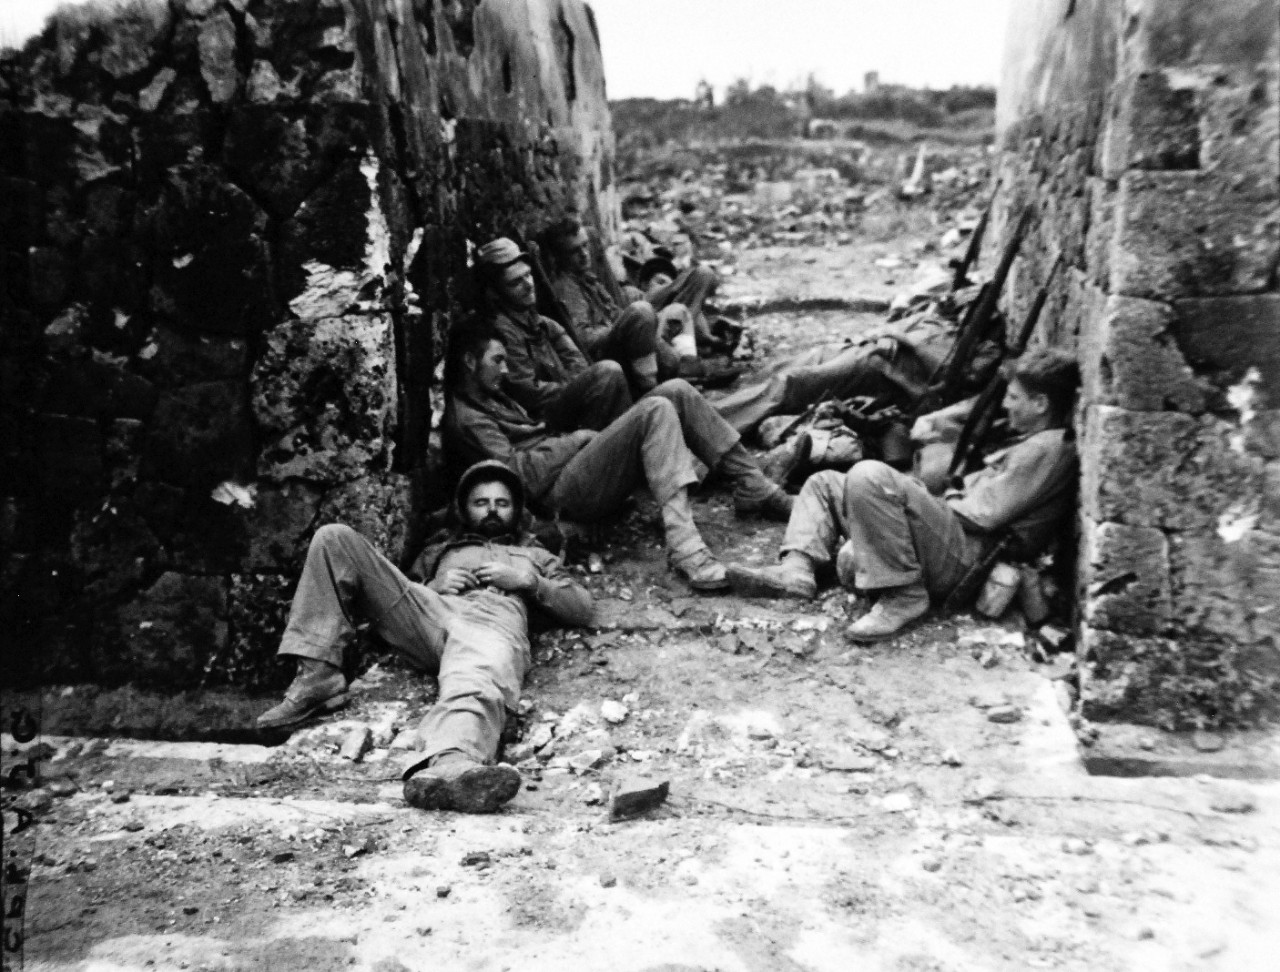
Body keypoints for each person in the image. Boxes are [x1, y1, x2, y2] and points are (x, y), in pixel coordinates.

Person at [255, 461, 593, 814]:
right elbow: (397, 594)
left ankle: (452, 763)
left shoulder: (536, 555)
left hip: (492, 620)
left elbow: (582, 607)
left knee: (475, 676)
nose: (492, 510)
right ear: (463, 509)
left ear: (517, 510)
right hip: (432, 610)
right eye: (481, 502)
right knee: (334, 538)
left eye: (502, 503)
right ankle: (318, 673)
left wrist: (526, 581)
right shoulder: (439, 551)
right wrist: (434, 585)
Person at [727, 348, 1079, 641]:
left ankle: (903, 595)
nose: (1006, 405)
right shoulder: (1035, 443)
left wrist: (909, 497)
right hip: (953, 538)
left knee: (871, 476)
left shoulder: (1046, 450)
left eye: (1014, 397)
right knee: (826, 483)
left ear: (1041, 404)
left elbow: (983, 515)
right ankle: (797, 569)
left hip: (968, 554)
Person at [443, 323, 792, 592]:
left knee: (677, 391)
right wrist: (575, 440)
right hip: (558, 495)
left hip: (567, 467)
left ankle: (753, 483)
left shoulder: (491, 394)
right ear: (470, 362)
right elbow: (520, 477)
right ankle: (685, 546)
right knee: (655, 409)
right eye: (497, 360)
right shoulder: (468, 418)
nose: (505, 370)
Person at [475, 237, 633, 432]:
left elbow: (580, 364)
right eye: (515, 282)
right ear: (496, 293)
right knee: (608, 372)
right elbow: (529, 392)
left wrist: (578, 383)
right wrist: (576, 386)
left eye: (528, 275)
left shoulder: (545, 324)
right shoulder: (502, 331)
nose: (528, 285)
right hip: (543, 419)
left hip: (567, 401)